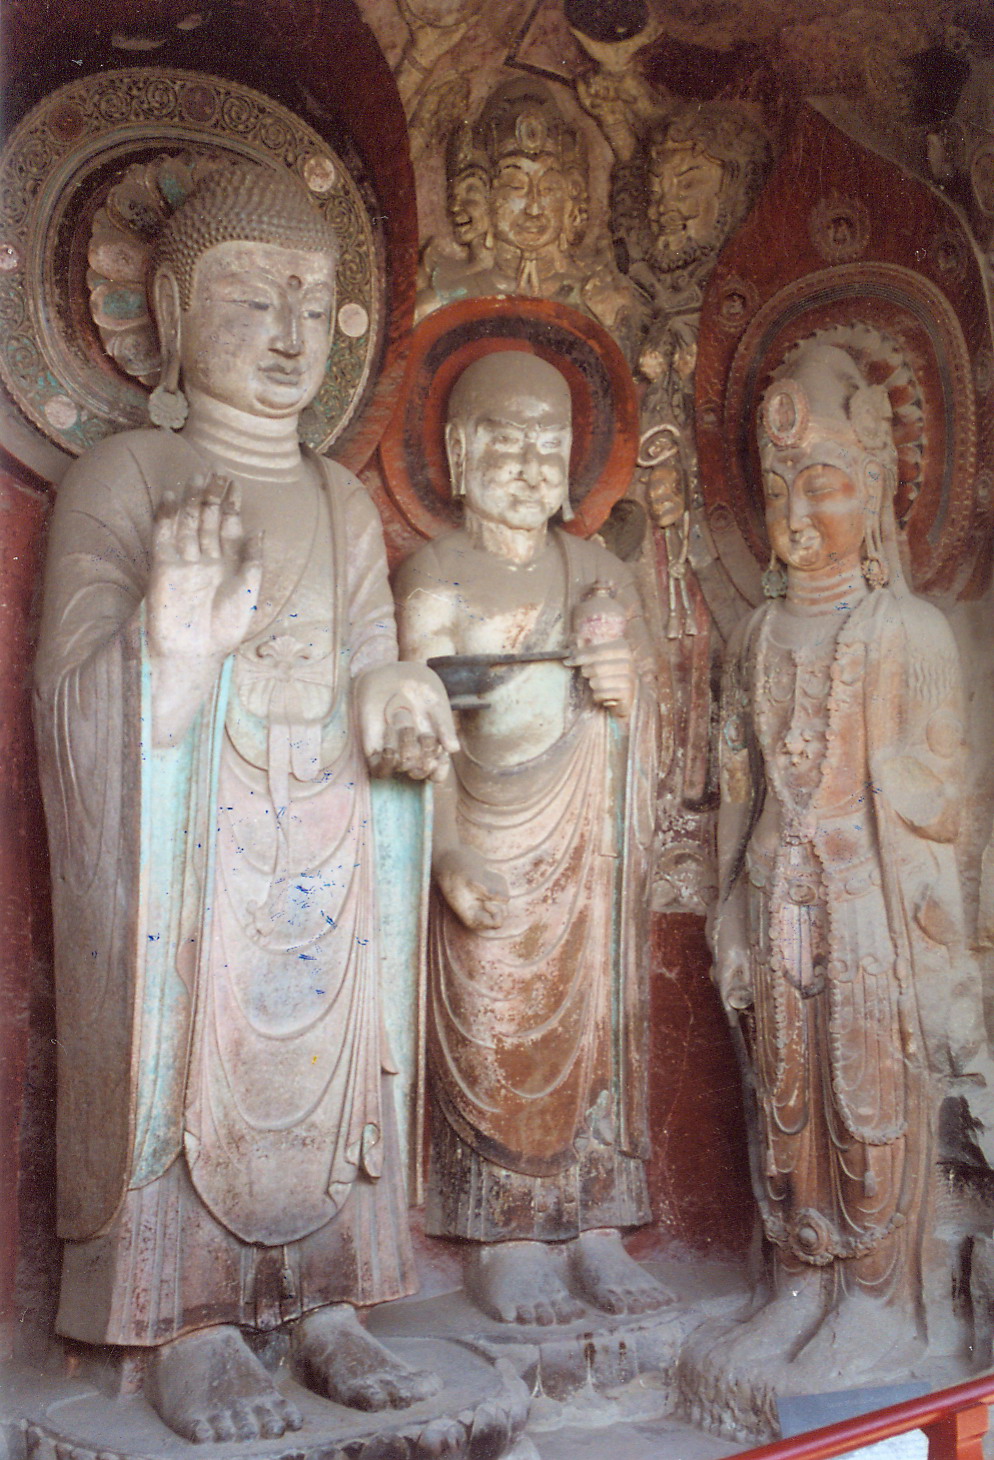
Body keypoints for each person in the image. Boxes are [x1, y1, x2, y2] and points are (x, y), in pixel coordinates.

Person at [34, 162, 456, 1443]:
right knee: (182, 1062)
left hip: (325, 838)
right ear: (168, 312)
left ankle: (327, 1301)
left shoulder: (339, 498)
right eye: (252, 299)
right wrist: (173, 642)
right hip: (191, 853)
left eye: (314, 305)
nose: (288, 335)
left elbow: (372, 655)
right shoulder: (123, 478)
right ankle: (188, 1323)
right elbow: (71, 710)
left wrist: (397, 697)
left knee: (331, 1071)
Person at [703, 334, 986, 1397]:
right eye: (780, 487)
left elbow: (944, 796)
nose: (797, 510)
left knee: (866, 1096)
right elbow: (738, 789)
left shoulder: (909, 629)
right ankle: (799, 1276)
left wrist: (884, 793)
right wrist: (731, 914)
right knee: (784, 1099)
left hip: (870, 907)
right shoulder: (756, 636)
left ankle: (874, 1299)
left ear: (874, 494)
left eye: (822, 483)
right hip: (774, 895)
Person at [396, 350, 669, 1325]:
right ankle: (506, 1238)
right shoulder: (437, 572)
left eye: (547, 441)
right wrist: (445, 852)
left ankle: (596, 1227)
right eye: (502, 439)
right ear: (458, 451)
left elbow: (655, 720)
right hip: (485, 833)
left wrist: (627, 692)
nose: (526, 461)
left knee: (597, 1033)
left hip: (589, 847)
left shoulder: (596, 571)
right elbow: (425, 733)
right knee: (494, 1021)